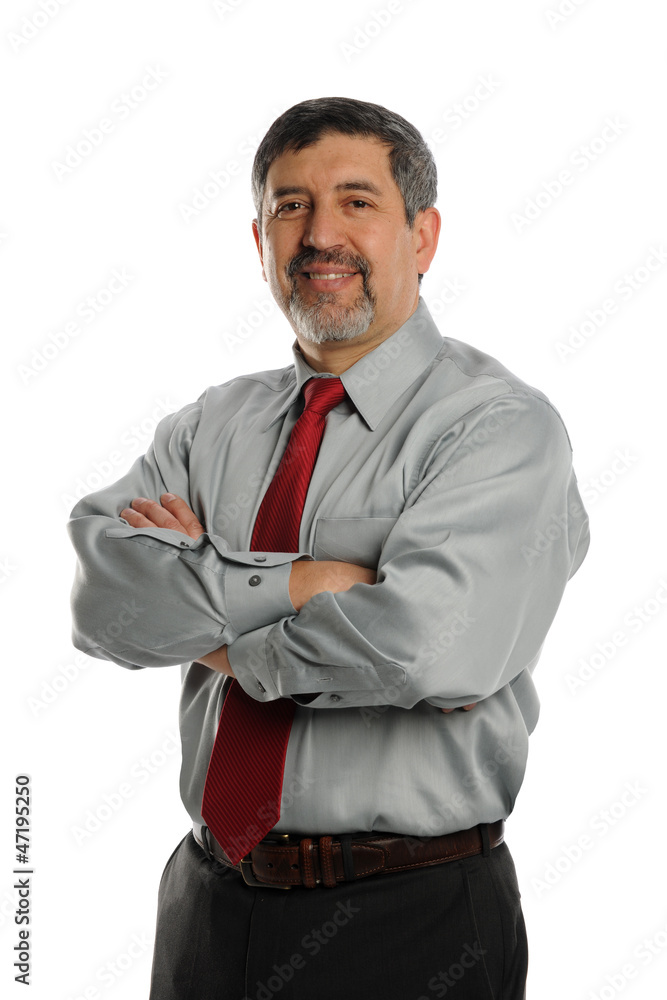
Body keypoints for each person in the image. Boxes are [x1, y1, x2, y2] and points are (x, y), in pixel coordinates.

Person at [67, 96, 590, 1000]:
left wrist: (209, 628)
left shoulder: (496, 429)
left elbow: (429, 648)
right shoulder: (208, 425)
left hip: (411, 920)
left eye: (356, 201)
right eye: (290, 205)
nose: (319, 235)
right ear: (259, 239)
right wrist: (309, 584)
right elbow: (101, 599)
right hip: (205, 905)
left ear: (421, 235)